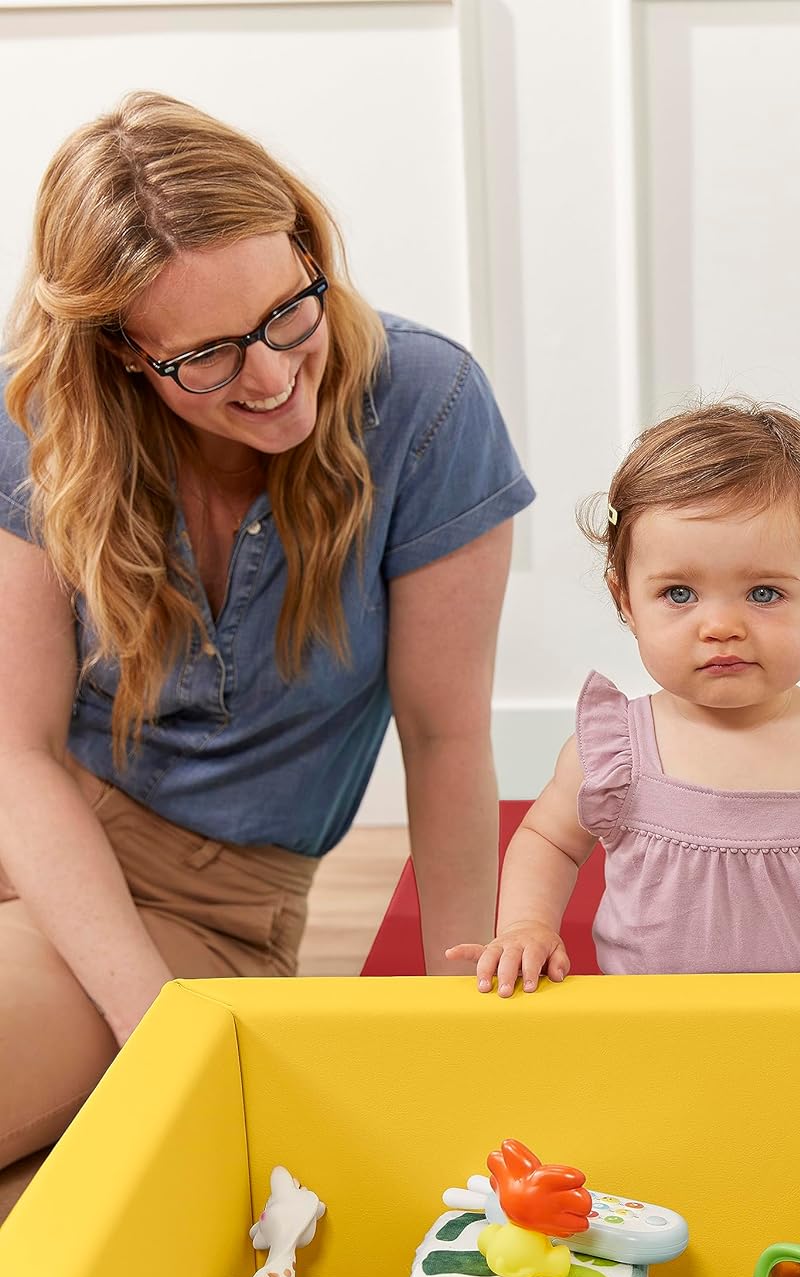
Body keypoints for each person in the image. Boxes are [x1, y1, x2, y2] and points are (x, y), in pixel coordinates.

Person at [0, 93, 533, 1217]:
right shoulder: (41, 416)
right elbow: (16, 752)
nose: (272, 374)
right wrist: (157, 1038)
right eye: (206, 356)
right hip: (39, 842)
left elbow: (445, 739)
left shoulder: (426, 409)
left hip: (208, 902)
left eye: (290, 310)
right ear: (121, 357)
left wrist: (466, 1027)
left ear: (306, 245)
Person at [448, 401, 800, 1039]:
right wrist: (527, 926)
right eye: (678, 593)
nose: (721, 626)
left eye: (764, 593)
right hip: (657, 1039)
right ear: (625, 600)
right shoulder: (614, 749)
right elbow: (548, 842)